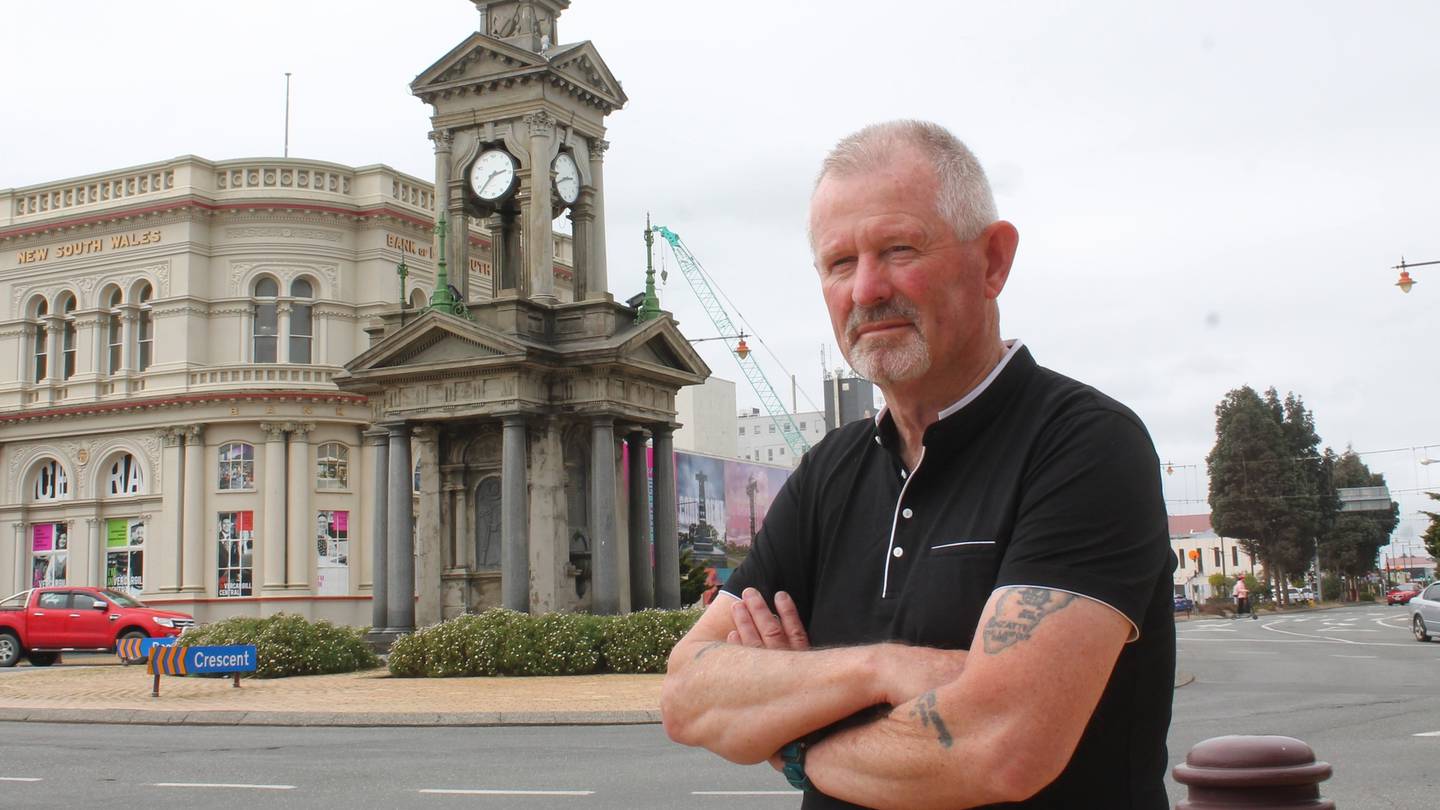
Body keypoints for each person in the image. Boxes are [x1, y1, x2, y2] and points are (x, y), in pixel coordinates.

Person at [660, 120, 1176, 809]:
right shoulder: (827, 473)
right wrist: (883, 668)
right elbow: (689, 696)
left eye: (899, 249)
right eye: (839, 263)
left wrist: (794, 734)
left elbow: (999, 748)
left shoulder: (1084, 446)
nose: (867, 290)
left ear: (993, 260)